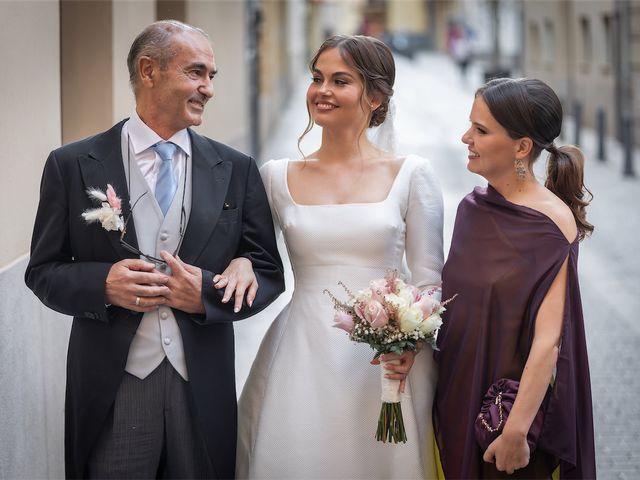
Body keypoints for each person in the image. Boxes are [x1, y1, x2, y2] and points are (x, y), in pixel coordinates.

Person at [25, 20, 284, 479]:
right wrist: (101, 284)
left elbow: (267, 272)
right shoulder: (71, 164)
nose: (208, 88)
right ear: (149, 71)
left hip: (201, 381)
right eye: (196, 73)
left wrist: (206, 293)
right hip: (113, 383)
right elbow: (42, 271)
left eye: (212, 76)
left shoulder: (236, 169)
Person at [236, 35, 444, 479]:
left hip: (388, 362)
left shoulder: (412, 174)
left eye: (339, 80)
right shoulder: (275, 176)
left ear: (375, 97)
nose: (322, 90)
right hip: (302, 352)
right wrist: (239, 261)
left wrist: (411, 345)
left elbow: (428, 281)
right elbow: (251, 252)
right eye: (317, 78)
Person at [434, 78, 596, 479]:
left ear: (522, 147)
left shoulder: (551, 225)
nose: (465, 137)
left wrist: (517, 431)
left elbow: (549, 340)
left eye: (482, 131)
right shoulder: (470, 209)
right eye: (470, 125)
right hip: (455, 391)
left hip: (503, 411)